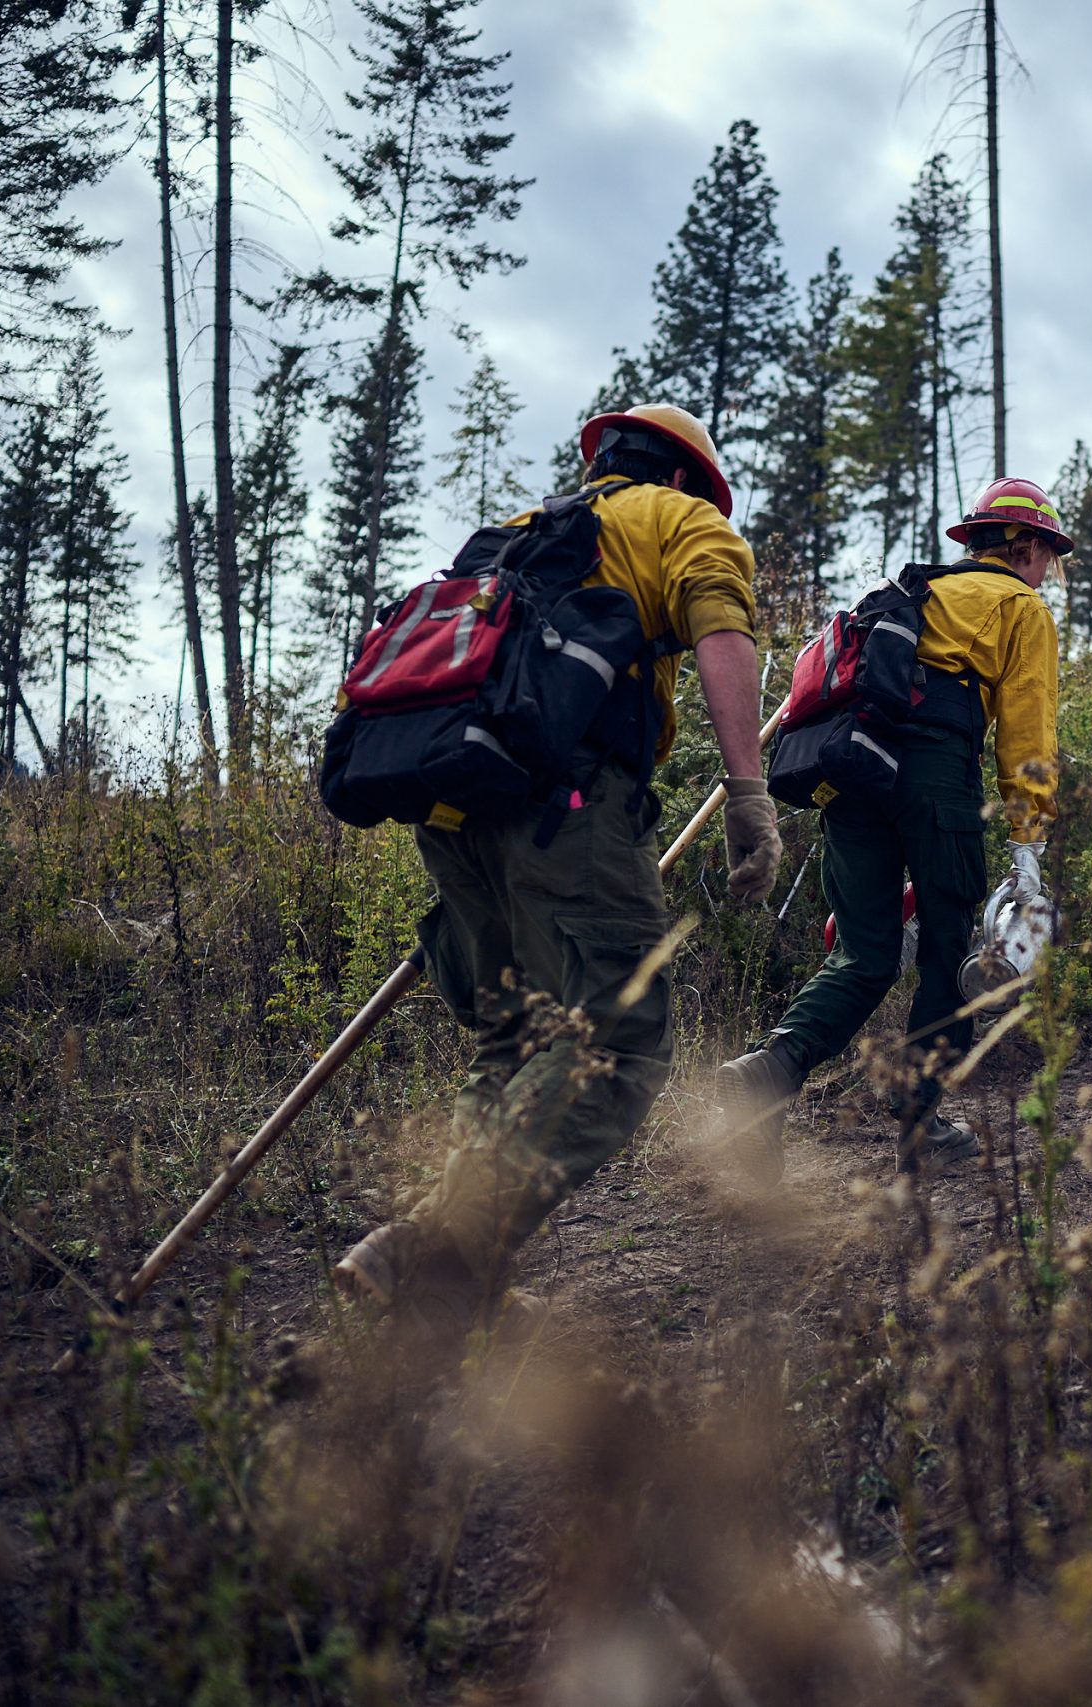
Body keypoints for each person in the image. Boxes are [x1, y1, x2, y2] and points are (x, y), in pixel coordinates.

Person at [331, 403, 781, 1337]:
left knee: (514, 1044)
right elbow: (722, 640)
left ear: (606, 458)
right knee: (617, 1044)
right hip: (568, 806)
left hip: (452, 803)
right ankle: (431, 1245)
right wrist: (748, 793)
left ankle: (456, 1299)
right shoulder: (681, 521)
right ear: (689, 477)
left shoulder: (517, 536)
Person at [714, 476, 1065, 1174]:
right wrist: (1029, 849)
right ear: (1022, 545)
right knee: (948, 947)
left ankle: (770, 1068)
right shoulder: (1018, 605)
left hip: (855, 766)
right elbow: (1027, 734)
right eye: (1046, 553)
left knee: (864, 954)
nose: (1048, 570)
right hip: (935, 768)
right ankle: (921, 1119)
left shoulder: (908, 594)